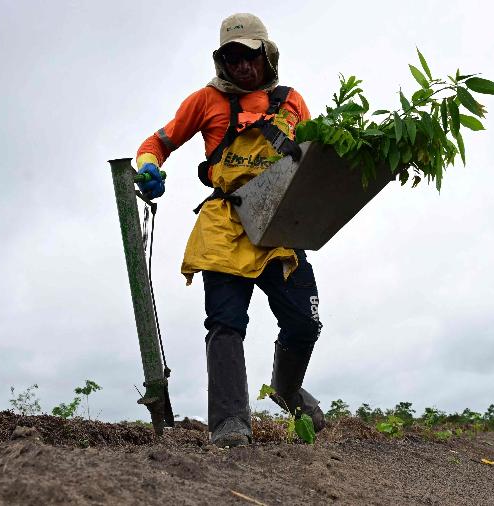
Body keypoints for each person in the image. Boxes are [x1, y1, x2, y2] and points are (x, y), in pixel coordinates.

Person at [135, 13, 322, 447]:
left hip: (278, 226)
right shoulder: (205, 100)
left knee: (304, 325)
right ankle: (230, 424)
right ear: (221, 60)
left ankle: (287, 389)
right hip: (226, 224)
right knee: (225, 324)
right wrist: (148, 167)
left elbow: (315, 156)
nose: (240, 65)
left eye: (248, 55)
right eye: (230, 57)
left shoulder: (292, 102)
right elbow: (156, 143)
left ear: (265, 54)